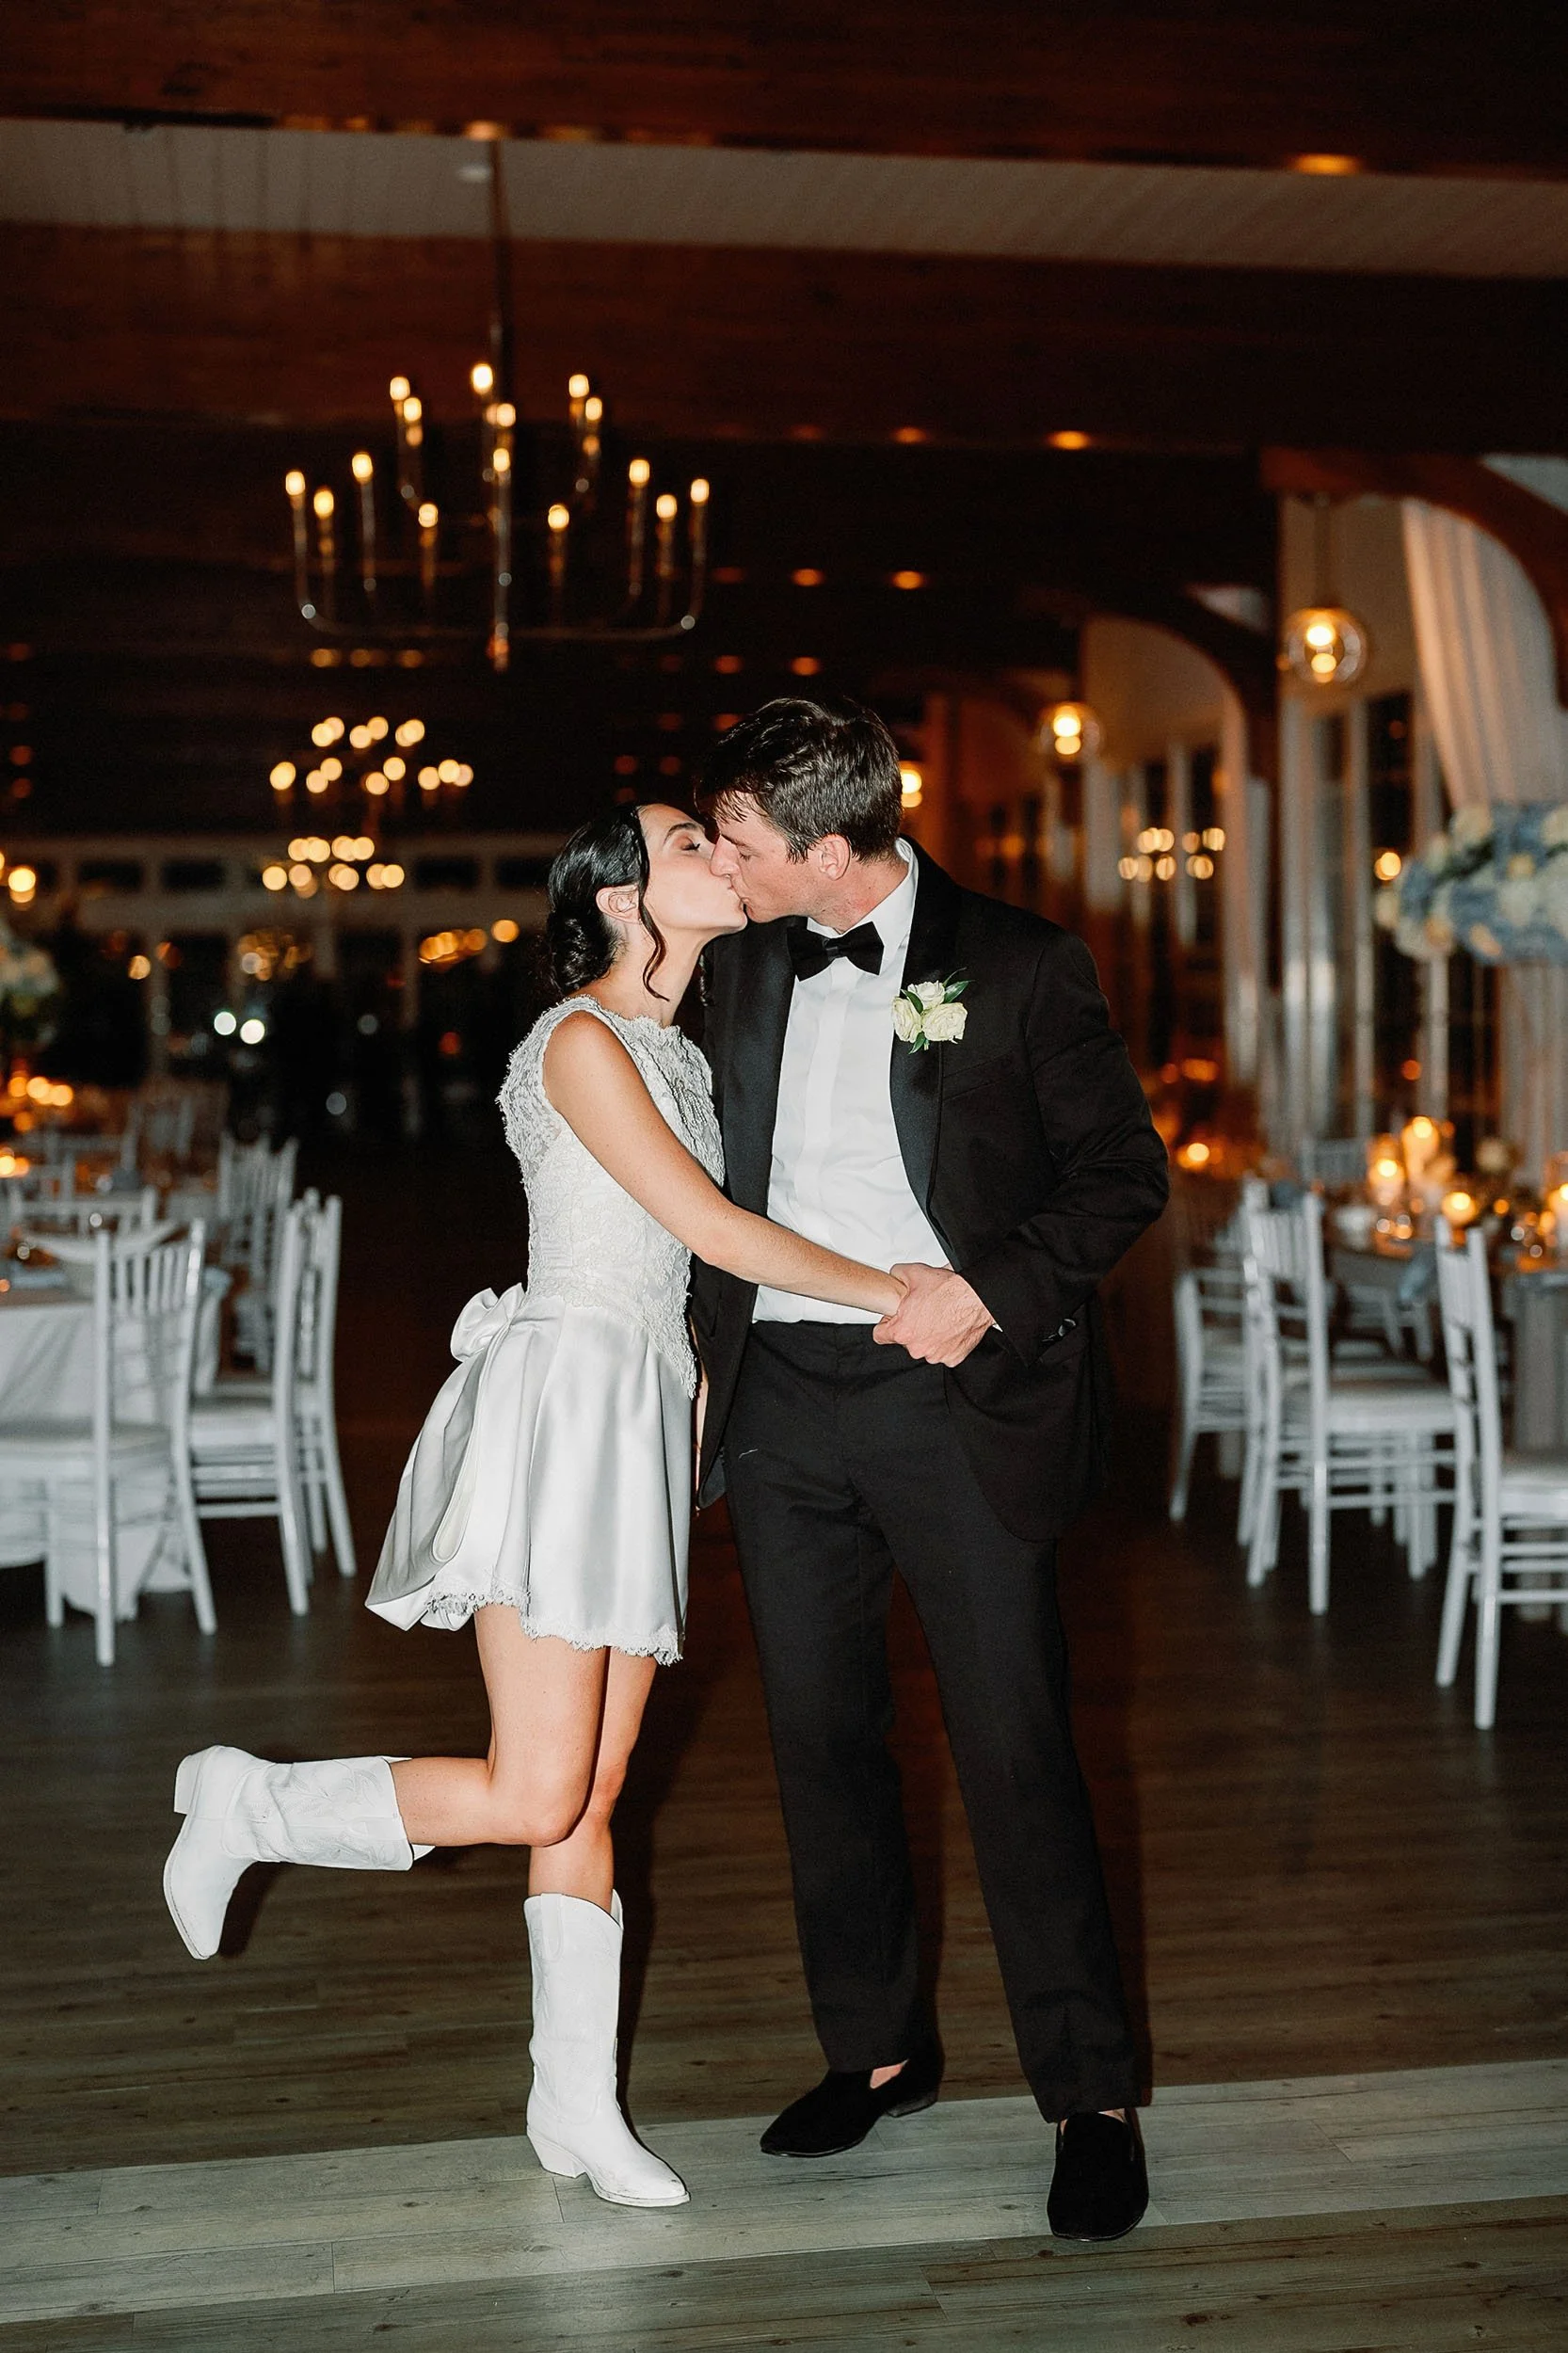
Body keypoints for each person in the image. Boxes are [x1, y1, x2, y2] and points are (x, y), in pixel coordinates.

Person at [161, 803, 904, 2211]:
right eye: (692, 842)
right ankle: (250, 1801)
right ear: (623, 898)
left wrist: (689, 1430)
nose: (720, 856)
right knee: (537, 1785)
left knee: (593, 1794)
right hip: (561, 1414)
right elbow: (708, 1233)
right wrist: (896, 1296)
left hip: (637, 1424)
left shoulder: (676, 1046)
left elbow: (687, 1283)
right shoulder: (578, 1040)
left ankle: (575, 2110)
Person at [692, 700, 1170, 2243]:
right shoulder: (740, 957)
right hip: (779, 1400)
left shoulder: (1021, 963)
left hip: (956, 1401)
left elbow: (1121, 1177)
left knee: (1015, 1747)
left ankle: (1087, 2096)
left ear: (831, 853)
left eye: (747, 844)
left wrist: (994, 1287)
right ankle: (877, 2052)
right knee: (820, 1742)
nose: (725, 861)